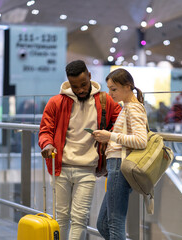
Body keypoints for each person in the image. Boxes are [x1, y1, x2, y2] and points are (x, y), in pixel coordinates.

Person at [38, 60, 121, 240]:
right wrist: (47, 144)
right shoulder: (56, 102)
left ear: (90, 76)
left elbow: (120, 123)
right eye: (75, 87)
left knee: (80, 218)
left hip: (88, 169)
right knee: (61, 216)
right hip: (60, 167)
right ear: (69, 83)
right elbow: (45, 130)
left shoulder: (105, 101)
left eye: (83, 84)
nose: (81, 90)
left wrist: (108, 135)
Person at [93, 68, 148, 239]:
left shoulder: (133, 108)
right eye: (109, 89)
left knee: (114, 222)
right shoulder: (128, 107)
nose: (110, 93)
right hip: (116, 165)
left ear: (127, 87)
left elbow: (141, 140)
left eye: (114, 89)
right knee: (103, 224)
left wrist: (110, 136)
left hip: (120, 165)